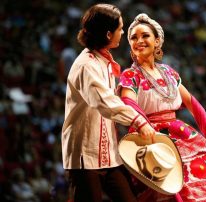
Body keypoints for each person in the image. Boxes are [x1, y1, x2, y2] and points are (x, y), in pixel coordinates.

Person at [118, 13, 206, 201]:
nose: (139, 40)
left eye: (145, 36)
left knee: (203, 164)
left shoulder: (168, 72)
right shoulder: (131, 75)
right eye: (134, 37)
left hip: (177, 132)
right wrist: (143, 125)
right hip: (148, 136)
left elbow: (192, 103)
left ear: (157, 41)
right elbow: (127, 102)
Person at [61, 4, 155, 202]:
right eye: (120, 29)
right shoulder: (87, 65)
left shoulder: (104, 61)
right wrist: (139, 120)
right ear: (107, 34)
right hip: (84, 156)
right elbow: (105, 103)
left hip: (109, 154)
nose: (123, 33)